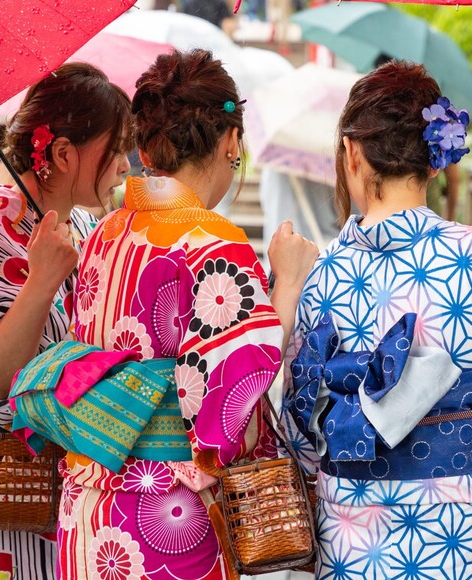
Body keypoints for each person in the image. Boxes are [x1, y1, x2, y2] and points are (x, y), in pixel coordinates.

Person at [280, 61, 472, 579]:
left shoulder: (322, 274)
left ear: (351, 153)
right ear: (435, 160)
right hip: (460, 527)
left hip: (351, 532)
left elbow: (299, 426)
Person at [59, 48, 317, 579]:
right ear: (230, 142)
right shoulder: (213, 245)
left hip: (86, 513)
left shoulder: (104, 235)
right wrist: (287, 284)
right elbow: (234, 418)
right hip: (166, 520)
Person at [0, 62, 132, 579]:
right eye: (117, 148)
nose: (126, 166)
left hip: (67, 502)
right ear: (64, 154)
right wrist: (40, 282)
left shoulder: (84, 224)